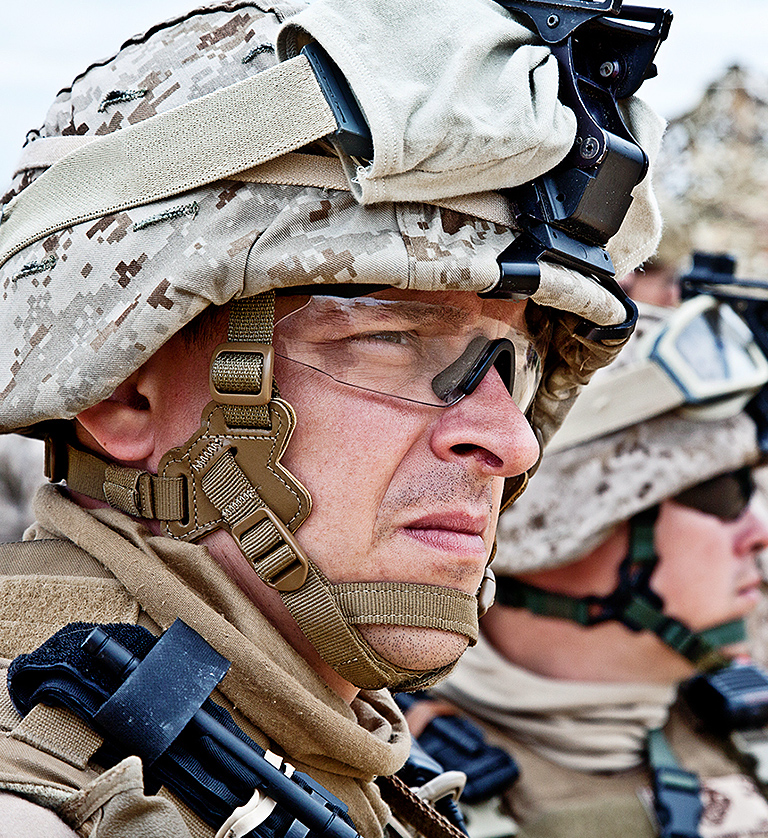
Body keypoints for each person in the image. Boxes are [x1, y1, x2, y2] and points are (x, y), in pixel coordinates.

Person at [0, 1, 664, 836]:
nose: (510, 439)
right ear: (125, 390)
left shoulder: (318, 762)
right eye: (390, 338)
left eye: (516, 363)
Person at [433, 296, 768, 837]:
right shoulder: (410, 790)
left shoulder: (741, 727)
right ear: (566, 521)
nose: (758, 532)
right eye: (723, 495)